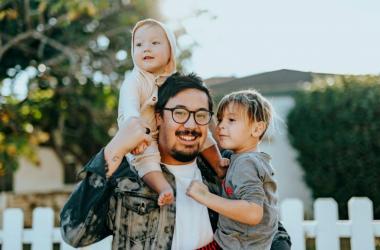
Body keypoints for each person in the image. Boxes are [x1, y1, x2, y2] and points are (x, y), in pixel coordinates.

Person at [60, 73, 291, 249]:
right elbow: (74, 233)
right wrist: (115, 147)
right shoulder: (127, 175)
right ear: (159, 117)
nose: (191, 125)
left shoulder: (224, 167)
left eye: (200, 115)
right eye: (179, 113)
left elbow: (273, 229)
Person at [117, 19, 227, 206]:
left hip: (165, 131)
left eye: (155, 43)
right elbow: (130, 112)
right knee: (146, 159)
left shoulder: (174, 82)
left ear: (171, 51)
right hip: (140, 136)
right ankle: (163, 188)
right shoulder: (134, 81)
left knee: (201, 131)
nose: (146, 49)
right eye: (139, 44)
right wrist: (137, 137)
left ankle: (218, 164)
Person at [187, 90, 279, 249]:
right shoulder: (246, 160)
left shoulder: (246, 163)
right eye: (220, 119)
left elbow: (253, 212)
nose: (221, 125)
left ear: (257, 129)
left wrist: (205, 197)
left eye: (231, 120)